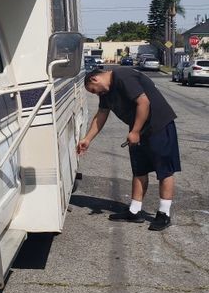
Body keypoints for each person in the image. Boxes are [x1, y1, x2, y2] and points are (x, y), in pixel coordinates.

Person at [77, 67, 180, 231]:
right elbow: (102, 113)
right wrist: (87, 139)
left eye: (94, 91)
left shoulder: (122, 76)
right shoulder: (106, 92)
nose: (97, 94)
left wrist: (135, 131)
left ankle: (164, 214)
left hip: (159, 125)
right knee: (139, 169)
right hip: (138, 129)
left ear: (95, 79)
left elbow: (143, 102)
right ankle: (134, 211)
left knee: (164, 170)